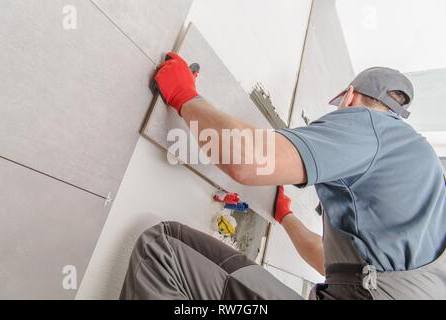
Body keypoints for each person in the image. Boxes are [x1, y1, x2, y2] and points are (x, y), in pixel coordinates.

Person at [121, 53, 446, 300]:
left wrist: (184, 96)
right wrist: (285, 215)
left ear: (349, 98)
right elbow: (328, 263)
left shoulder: (373, 126)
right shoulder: (426, 181)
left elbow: (248, 160)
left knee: (163, 249)